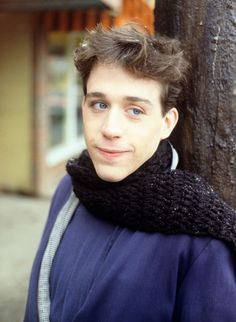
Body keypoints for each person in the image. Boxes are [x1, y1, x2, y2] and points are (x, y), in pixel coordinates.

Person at [24, 23, 236, 322]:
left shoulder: (200, 238)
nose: (110, 129)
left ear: (166, 122)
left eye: (135, 110)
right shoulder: (69, 190)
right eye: (99, 104)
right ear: (83, 107)